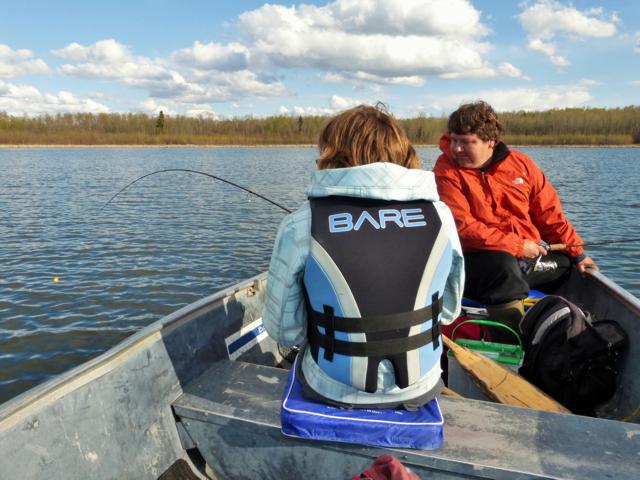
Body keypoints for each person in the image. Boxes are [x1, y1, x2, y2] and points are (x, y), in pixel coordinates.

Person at [263, 104, 464, 410]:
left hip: (333, 387)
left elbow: (285, 332)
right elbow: (448, 311)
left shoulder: (301, 223)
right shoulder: (442, 216)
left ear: (332, 153)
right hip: (421, 385)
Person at [433, 101, 597, 333]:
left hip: (520, 261)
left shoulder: (522, 164)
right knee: (503, 266)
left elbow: (549, 214)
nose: (457, 149)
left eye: (466, 142)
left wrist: (577, 252)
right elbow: (462, 228)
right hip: (472, 263)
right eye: (454, 141)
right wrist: (518, 246)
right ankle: (512, 341)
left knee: (564, 264)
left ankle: (520, 302)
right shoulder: (445, 169)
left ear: (490, 141)